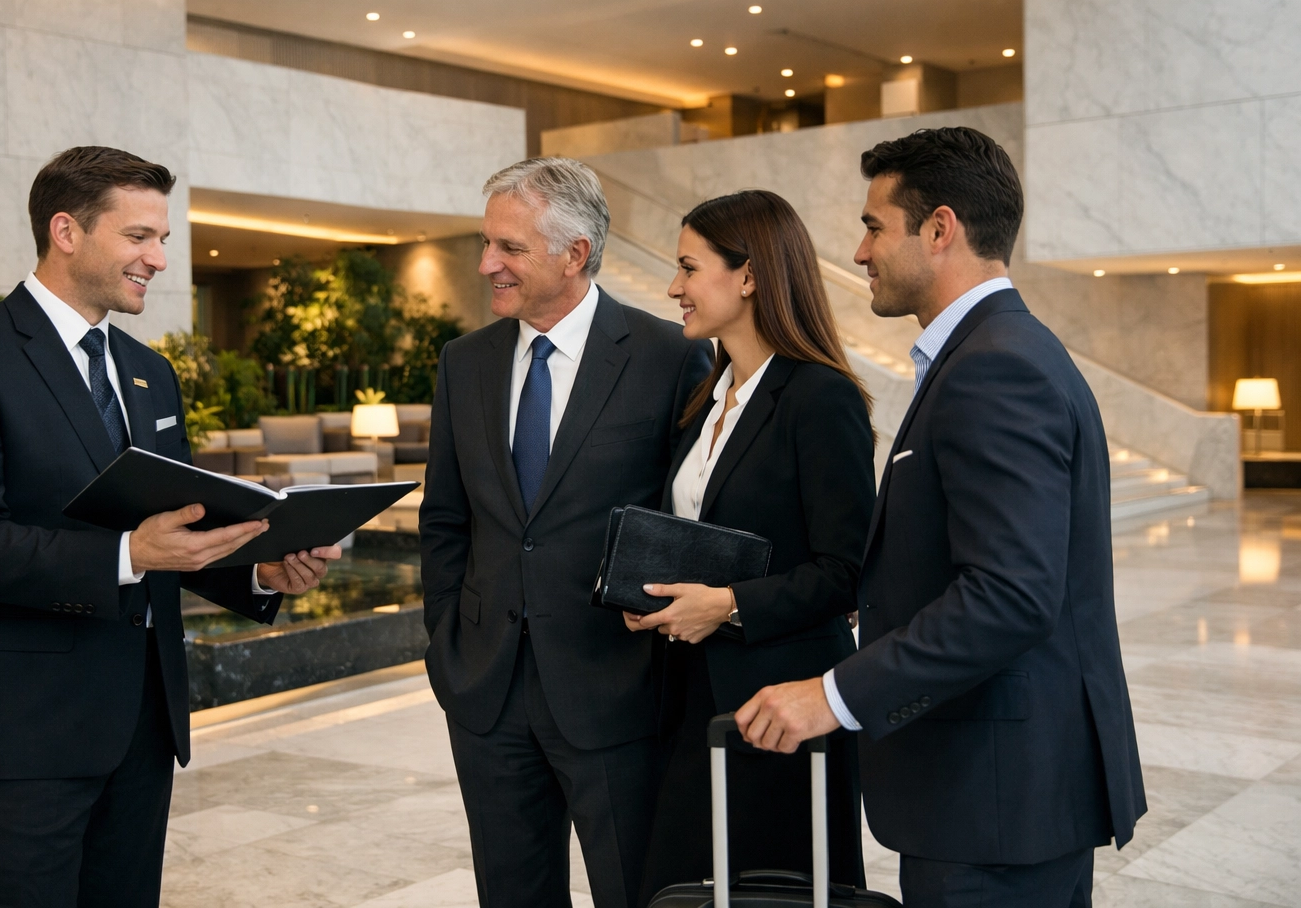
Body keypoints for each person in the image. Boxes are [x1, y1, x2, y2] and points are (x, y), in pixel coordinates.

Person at [0, 146, 341, 908]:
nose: (160, 259)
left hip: (141, 729)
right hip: (21, 736)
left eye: (162, 238)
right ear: (67, 231)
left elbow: (175, 529)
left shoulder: (149, 371)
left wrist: (258, 569)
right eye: (140, 236)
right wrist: (125, 553)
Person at [734, 127, 1146, 907]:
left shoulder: (996, 368)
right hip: (1001, 796)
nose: (859, 252)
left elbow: (1010, 594)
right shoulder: (998, 352)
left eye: (872, 226)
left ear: (940, 228)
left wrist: (833, 694)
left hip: (992, 802)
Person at [419, 156, 712, 908]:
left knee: (638, 891)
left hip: (615, 687)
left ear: (574, 254)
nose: (488, 265)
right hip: (485, 692)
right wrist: (449, 645)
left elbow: (685, 519)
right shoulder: (465, 362)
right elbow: (446, 519)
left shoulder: (670, 356)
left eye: (510, 249)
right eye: (489, 244)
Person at [624, 190, 874, 901]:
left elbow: (848, 571)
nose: (674, 286)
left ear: (750, 275)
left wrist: (728, 606)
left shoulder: (820, 398)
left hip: (781, 715)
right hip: (687, 705)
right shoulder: (707, 396)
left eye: (688, 267)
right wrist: (649, 597)